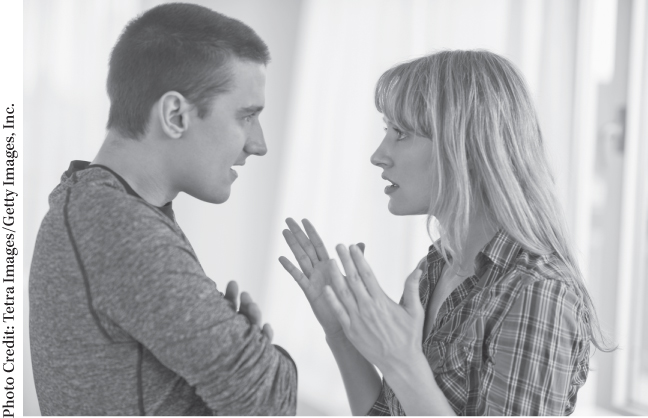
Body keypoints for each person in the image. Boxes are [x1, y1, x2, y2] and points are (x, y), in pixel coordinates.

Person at [280, 50, 613, 415]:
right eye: (386, 131)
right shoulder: (437, 267)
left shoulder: (539, 292)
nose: (378, 155)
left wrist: (402, 364)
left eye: (400, 134)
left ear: (465, 147)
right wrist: (342, 332)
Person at [29, 3, 297, 415]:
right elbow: (271, 401)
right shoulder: (120, 230)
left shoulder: (95, 206)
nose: (258, 144)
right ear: (175, 114)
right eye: (246, 116)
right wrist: (259, 356)